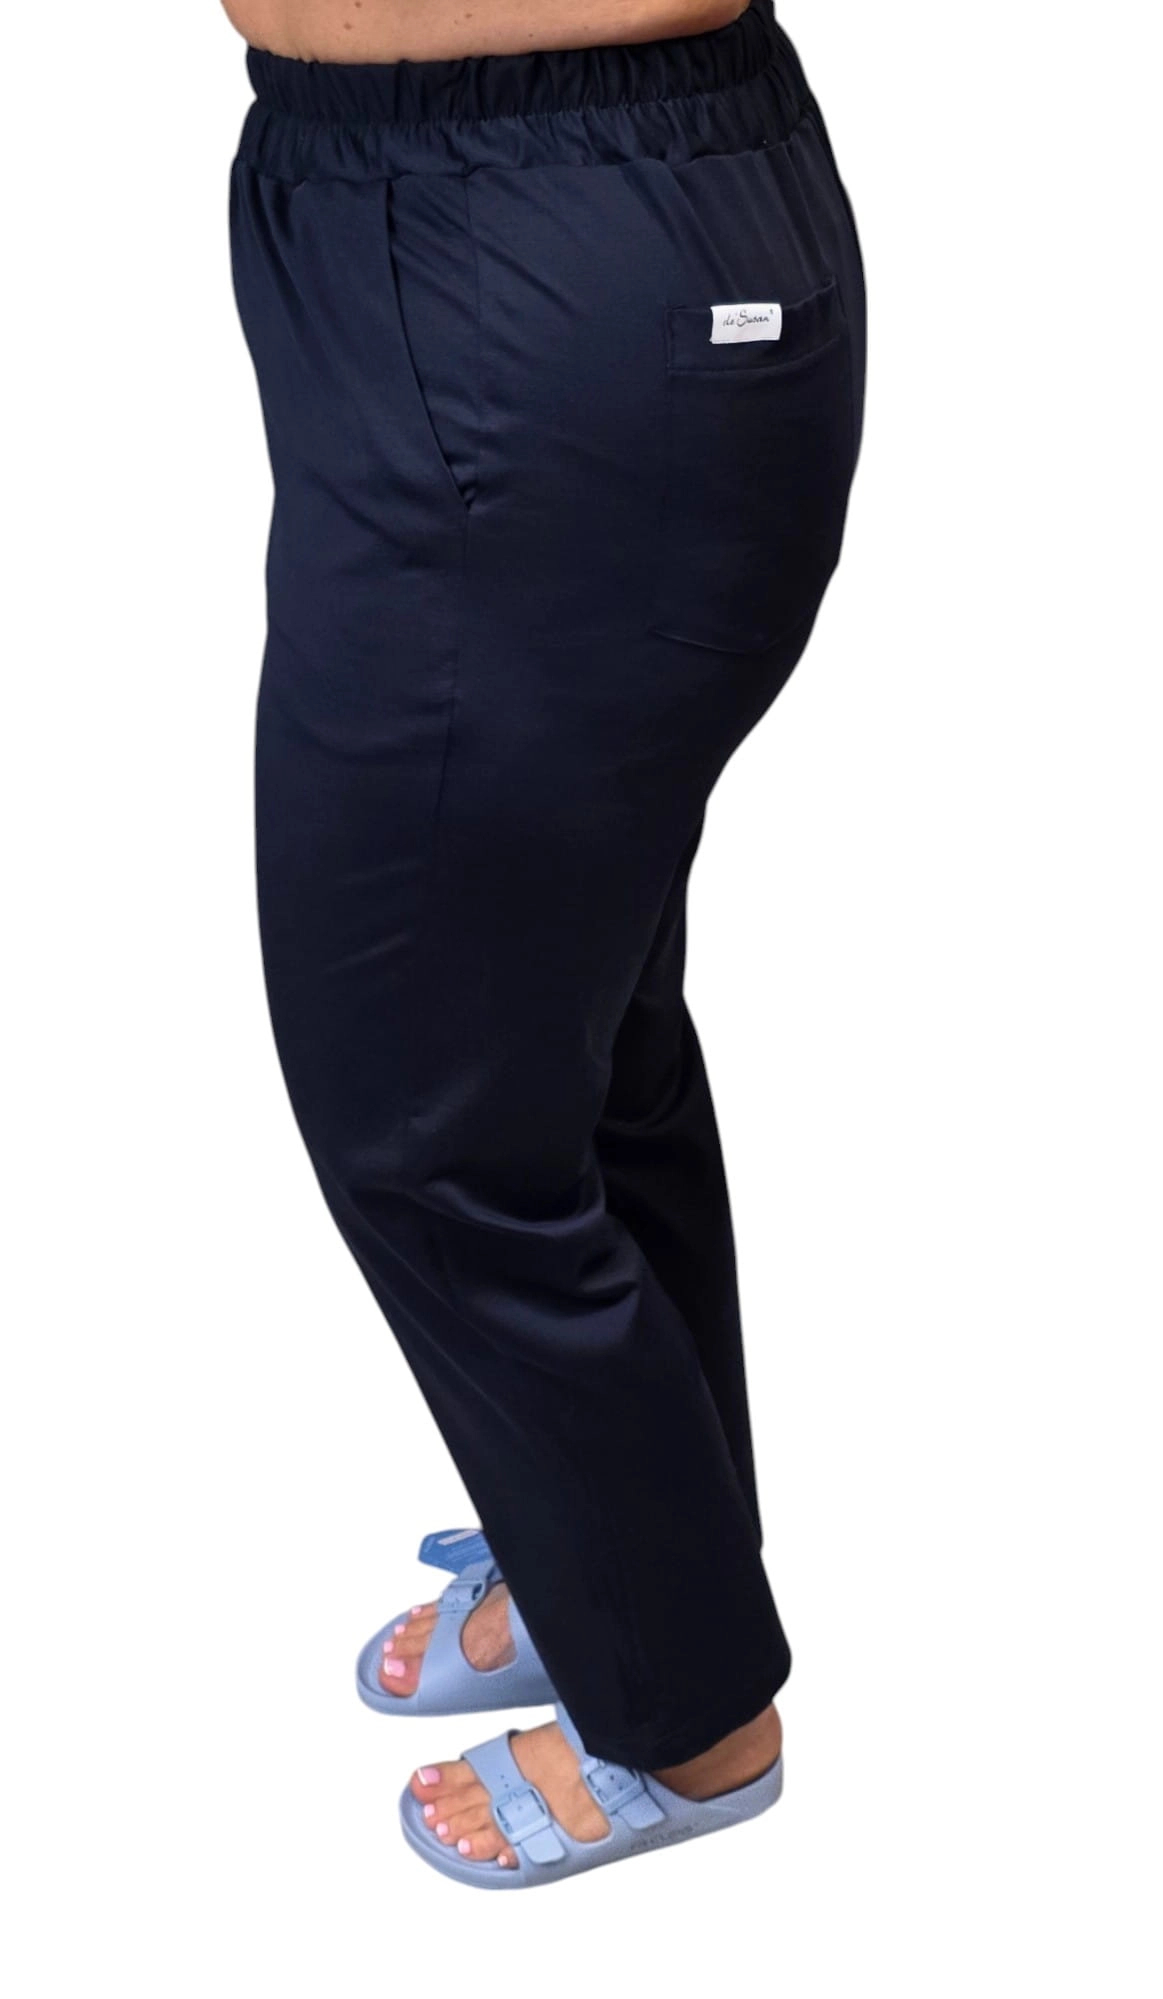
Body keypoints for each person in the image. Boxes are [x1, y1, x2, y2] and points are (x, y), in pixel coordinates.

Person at [224, 0, 866, 1888]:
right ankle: (630, 1572)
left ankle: (684, 1715)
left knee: (428, 1104)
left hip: (547, 231)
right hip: (419, 201)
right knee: (566, 1037)